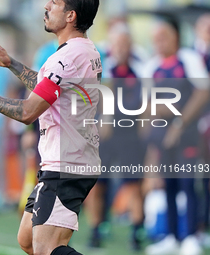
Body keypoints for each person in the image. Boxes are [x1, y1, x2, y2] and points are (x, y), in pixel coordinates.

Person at [0, 0, 102, 254]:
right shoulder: (84, 50)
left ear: (70, 16)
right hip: (67, 160)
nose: (46, 5)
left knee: (46, 248)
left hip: (66, 164)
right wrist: (11, 63)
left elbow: (27, 112)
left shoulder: (66, 58)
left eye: (55, 2)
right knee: (28, 240)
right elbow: (48, 88)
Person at [143, 19, 209, 255]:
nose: (160, 43)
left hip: (187, 135)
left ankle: (191, 236)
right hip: (163, 137)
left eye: (164, 38)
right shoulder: (151, 67)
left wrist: (179, 122)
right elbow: (149, 104)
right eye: (156, 39)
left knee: (188, 183)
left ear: (176, 38)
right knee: (168, 183)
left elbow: (202, 93)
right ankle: (171, 236)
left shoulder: (188, 60)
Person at [84, 22, 145, 251]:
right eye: (117, 43)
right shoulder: (103, 67)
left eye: (124, 43)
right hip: (105, 136)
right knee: (98, 185)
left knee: (134, 184)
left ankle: (137, 231)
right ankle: (96, 230)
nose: (121, 47)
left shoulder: (140, 68)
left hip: (130, 135)